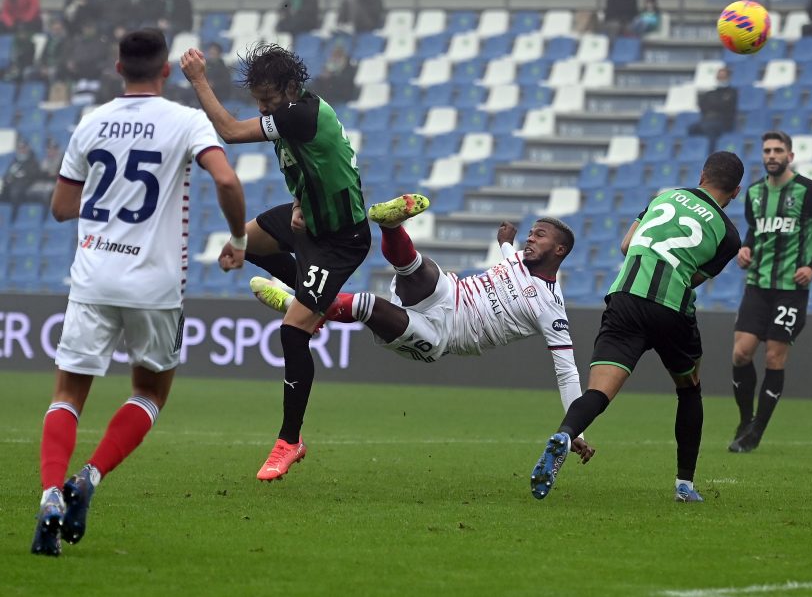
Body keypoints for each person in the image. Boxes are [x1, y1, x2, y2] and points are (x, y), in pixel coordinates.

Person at [29, 28, 247, 557]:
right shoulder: (187, 120)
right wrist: (238, 239)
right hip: (154, 284)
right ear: (166, 71)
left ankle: (50, 495)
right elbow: (226, 183)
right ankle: (91, 477)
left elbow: (61, 207)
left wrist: (111, 199)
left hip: (93, 278)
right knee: (149, 392)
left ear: (116, 67)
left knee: (66, 395)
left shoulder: (92, 121)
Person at [251, 195, 595, 460]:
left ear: (560, 250)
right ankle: (389, 224)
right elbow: (510, 256)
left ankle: (304, 307)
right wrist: (507, 239)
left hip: (442, 335)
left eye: (540, 236)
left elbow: (566, 372)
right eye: (531, 233)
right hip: (451, 293)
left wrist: (575, 429)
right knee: (418, 268)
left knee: (367, 306)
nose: (530, 240)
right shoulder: (519, 259)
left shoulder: (551, 308)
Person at [180, 43, 371, 481]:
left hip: (340, 240)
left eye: (268, 99)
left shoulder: (300, 115)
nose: (263, 108)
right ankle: (315, 301)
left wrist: (199, 80)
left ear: (290, 88)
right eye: (258, 101)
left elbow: (227, 131)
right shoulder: (291, 114)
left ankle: (290, 441)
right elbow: (320, 166)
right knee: (242, 246)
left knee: (292, 332)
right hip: (310, 221)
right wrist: (301, 202)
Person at [529, 151, 745, 503]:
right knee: (689, 389)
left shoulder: (664, 196)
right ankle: (684, 485)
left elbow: (627, 244)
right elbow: (692, 277)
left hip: (625, 297)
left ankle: (566, 434)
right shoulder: (730, 236)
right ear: (735, 192)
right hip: (670, 307)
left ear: (701, 174)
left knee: (598, 393)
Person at [728, 131, 812, 453]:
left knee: (775, 356)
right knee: (740, 353)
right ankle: (745, 419)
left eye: (778, 150)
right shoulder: (754, 193)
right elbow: (756, 227)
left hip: (791, 289)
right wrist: (746, 248)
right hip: (757, 284)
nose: (772, 155)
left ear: (790, 156)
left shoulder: (810, 191)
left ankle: (755, 433)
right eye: (767, 150)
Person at [687, 67, 737, 144]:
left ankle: (711, 153)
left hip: (722, 121)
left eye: (723, 77)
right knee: (692, 128)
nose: (720, 79)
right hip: (707, 120)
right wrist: (718, 104)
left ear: (728, 78)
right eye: (719, 77)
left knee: (711, 128)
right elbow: (702, 105)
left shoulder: (732, 92)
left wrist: (714, 105)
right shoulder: (710, 93)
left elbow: (726, 107)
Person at [1, 139, 43, 212]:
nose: (21, 150)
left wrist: (19, 176)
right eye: (19, 148)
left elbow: (33, 175)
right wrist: (9, 179)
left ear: (27, 148)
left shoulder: (33, 161)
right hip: (11, 186)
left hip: (25, 187)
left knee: (15, 193)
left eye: (23, 148)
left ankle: (14, 217)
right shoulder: (14, 161)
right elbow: (6, 176)